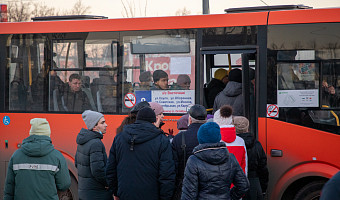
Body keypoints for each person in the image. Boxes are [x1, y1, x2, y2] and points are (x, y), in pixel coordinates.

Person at [106, 107, 175, 200]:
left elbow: (111, 169)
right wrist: (165, 197)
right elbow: (166, 175)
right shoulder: (162, 140)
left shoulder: (119, 138)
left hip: (125, 194)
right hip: (152, 195)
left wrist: (115, 192)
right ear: (154, 122)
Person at [4, 118, 71, 200]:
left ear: (31, 134)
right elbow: (64, 185)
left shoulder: (16, 155)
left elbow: (9, 188)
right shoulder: (57, 156)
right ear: (48, 134)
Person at [181, 122, 249, 199]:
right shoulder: (230, 158)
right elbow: (243, 185)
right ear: (219, 137)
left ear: (200, 138)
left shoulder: (194, 160)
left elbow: (189, 194)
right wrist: (230, 197)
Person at [171, 104, 207, 199]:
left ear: (189, 120)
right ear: (206, 119)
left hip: (184, 187)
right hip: (207, 187)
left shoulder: (179, 138)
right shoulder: (212, 137)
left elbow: (173, 166)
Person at [75, 110, 112, 200]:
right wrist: (108, 183)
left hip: (85, 192)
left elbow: (77, 164)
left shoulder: (82, 142)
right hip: (97, 193)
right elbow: (98, 170)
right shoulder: (96, 143)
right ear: (94, 126)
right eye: (102, 123)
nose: (106, 125)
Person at [233, 116, 269, 200]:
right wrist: (263, 188)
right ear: (247, 127)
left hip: (236, 183)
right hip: (253, 183)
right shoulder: (257, 144)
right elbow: (263, 169)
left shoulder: (232, 145)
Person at [214, 105, 248, 175]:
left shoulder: (213, 140)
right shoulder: (240, 141)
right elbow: (244, 167)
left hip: (218, 184)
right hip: (236, 184)